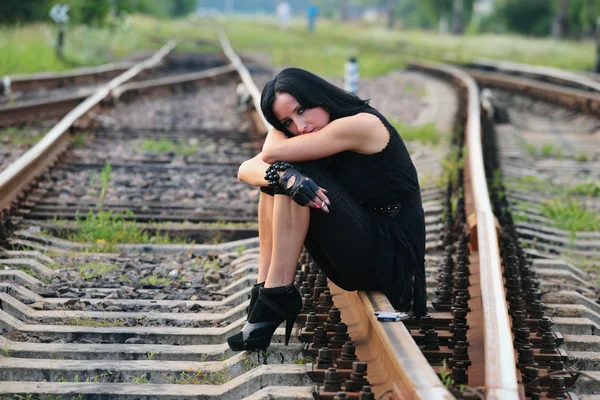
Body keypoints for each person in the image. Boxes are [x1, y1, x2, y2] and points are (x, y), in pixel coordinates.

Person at [227, 68, 426, 352]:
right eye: (288, 121)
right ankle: (266, 290)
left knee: (290, 172)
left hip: (391, 263)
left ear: (319, 95)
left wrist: (284, 168)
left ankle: (274, 295)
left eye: (303, 109)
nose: (301, 125)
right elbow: (246, 169)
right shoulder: (312, 133)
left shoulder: (361, 124)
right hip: (360, 252)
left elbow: (270, 154)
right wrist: (283, 178)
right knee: (281, 179)